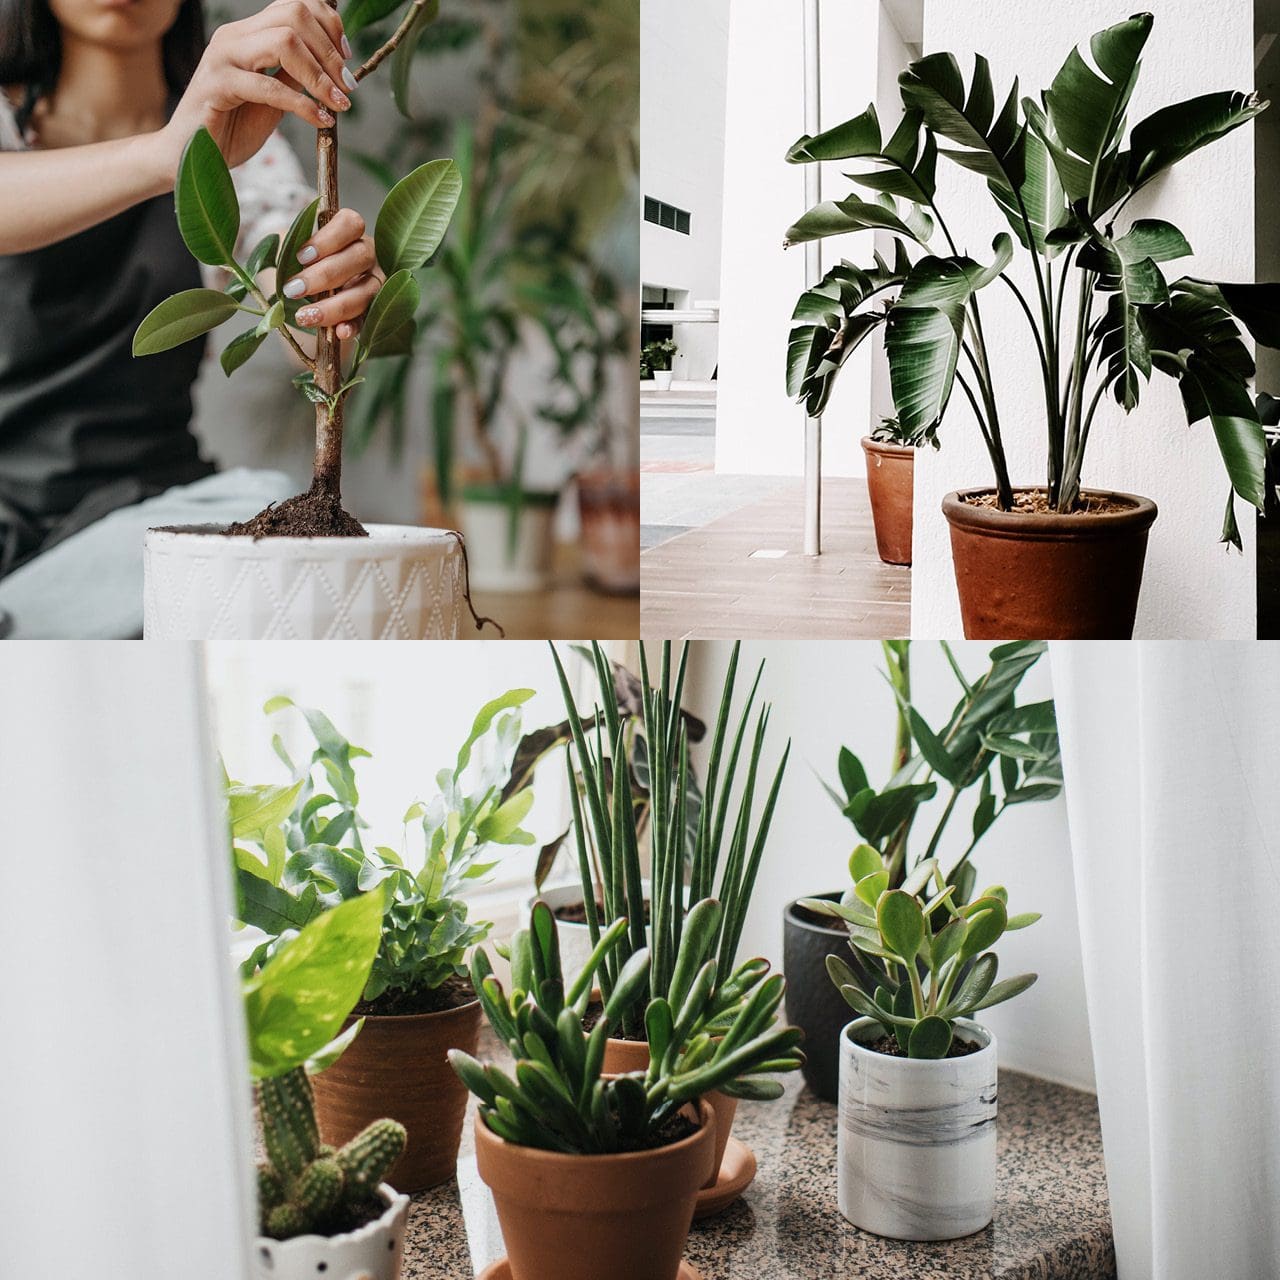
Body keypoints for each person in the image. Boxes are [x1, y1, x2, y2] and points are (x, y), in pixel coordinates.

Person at [0, 0, 383, 637]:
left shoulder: (246, 142)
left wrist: (328, 293)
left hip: (149, 516)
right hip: (13, 519)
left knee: (265, 519)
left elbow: (285, 278)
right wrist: (170, 156)